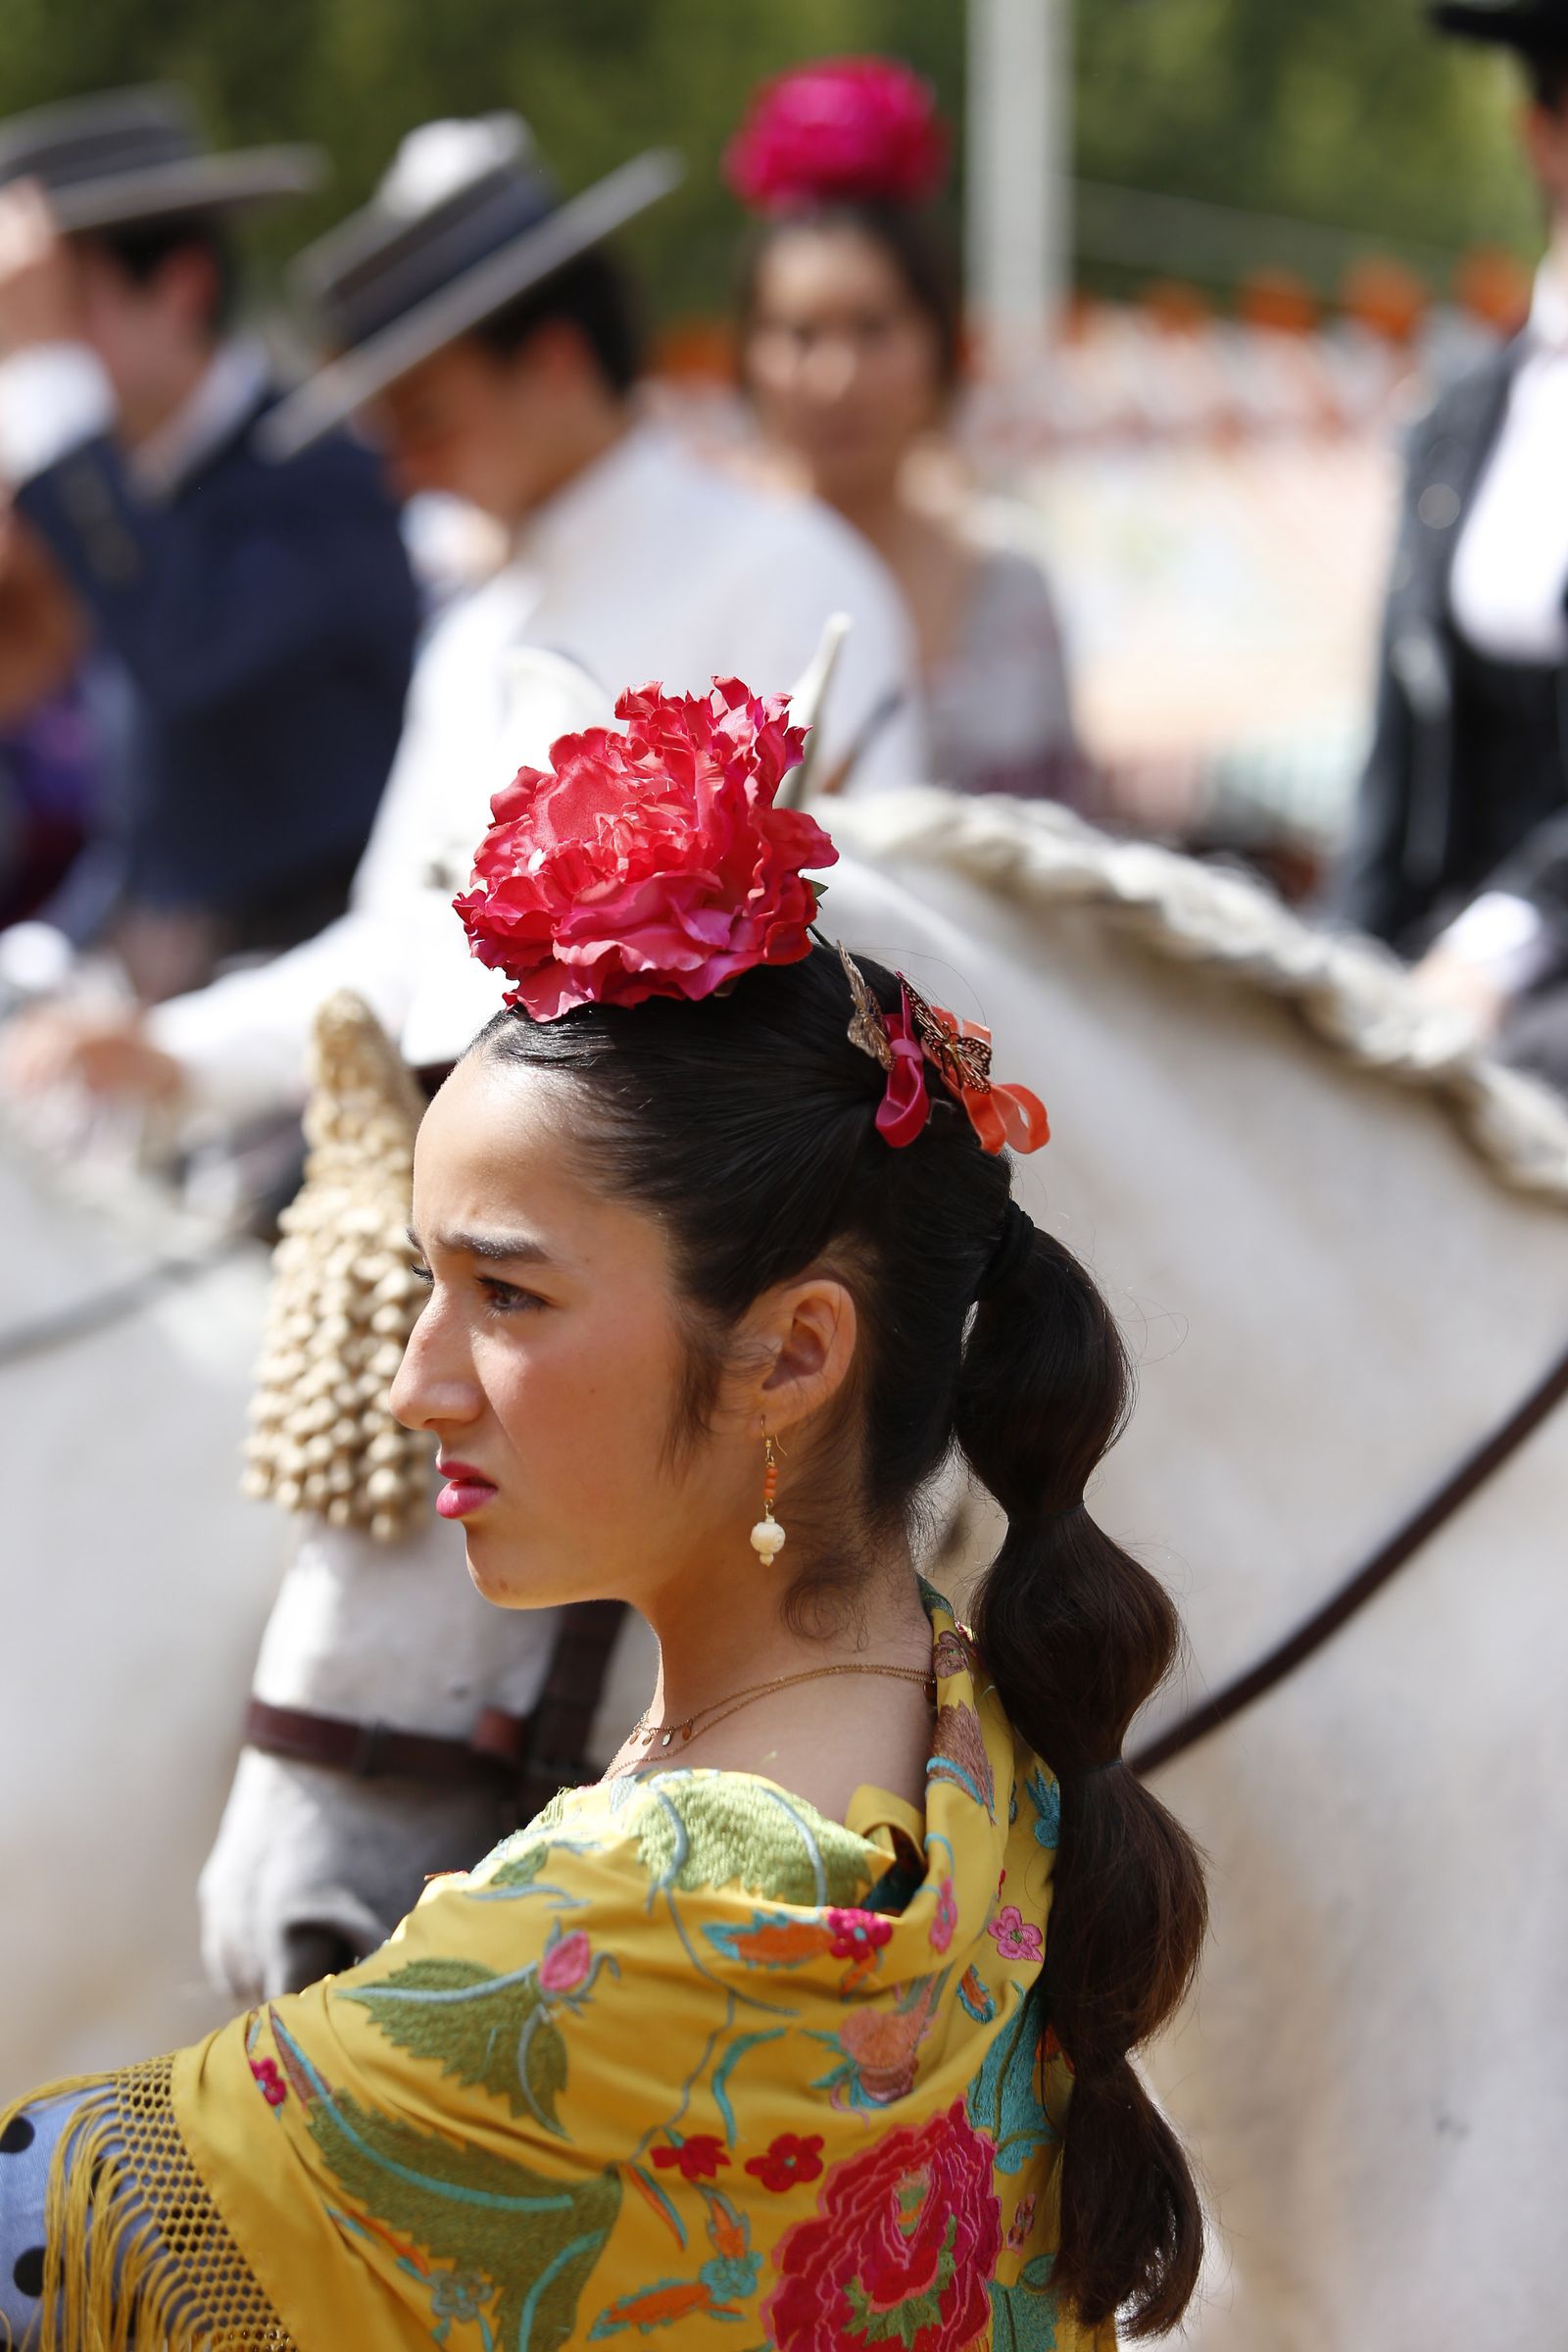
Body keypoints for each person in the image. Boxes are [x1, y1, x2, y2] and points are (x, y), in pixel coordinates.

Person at [0, 677, 1205, 2350]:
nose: (418, 1383)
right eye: (430, 1286)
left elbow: (59, 2241)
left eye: (505, 1295)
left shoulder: (605, 1949)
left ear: (794, 1352)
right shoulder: (986, 1759)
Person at [4, 111, 924, 1118]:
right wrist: (170, 1053)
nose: (404, 468)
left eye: (427, 418)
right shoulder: (477, 635)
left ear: (555, 360)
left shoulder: (785, 574)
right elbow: (403, 946)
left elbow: (869, 934)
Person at [0, 85, 419, 1002]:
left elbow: (187, 650)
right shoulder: (127, 493)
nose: (21, 351)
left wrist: (50, 409)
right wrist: (50, 954)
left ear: (180, 285)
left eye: (44, 310)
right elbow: (154, 811)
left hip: (344, 995)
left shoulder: (321, 474)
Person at [728, 55, 1084, 804]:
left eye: (873, 329)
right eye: (798, 334)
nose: (836, 378)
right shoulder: (709, 575)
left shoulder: (1012, 589)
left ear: (941, 346)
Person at [1329, 1, 1568, 1085]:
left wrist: (1497, 945)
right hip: (1445, 968)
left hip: (1517, 995)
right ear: (1543, 134)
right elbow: (1395, 752)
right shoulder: (1459, 416)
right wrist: (1330, 966)